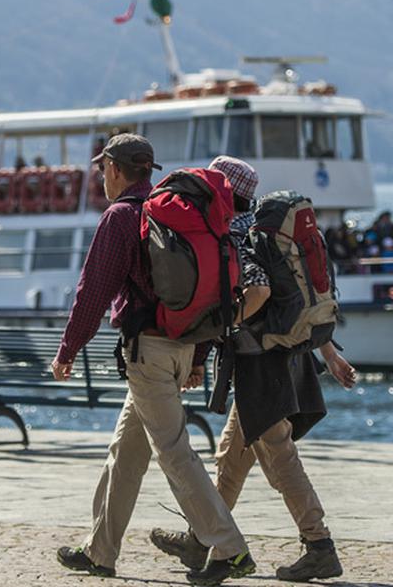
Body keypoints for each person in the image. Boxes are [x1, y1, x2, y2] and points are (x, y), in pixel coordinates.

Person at [52, 135, 254, 585]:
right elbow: (209, 288)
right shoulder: (177, 212)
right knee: (125, 453)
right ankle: (99, 552)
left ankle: (231, 549)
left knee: (174, 453)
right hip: (181, 346)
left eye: (104, 169)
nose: (102, 177)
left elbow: (93, 292)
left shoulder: (122, 216)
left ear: (117, 170)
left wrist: (68, 349)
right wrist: (198, 355)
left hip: (150, 352)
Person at [151, 156, 357, 583]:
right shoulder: (266, 231)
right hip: (287, 354)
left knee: (280, 457)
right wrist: (331, 356)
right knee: (230, 457)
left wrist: (225, 325)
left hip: (262, 363)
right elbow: (295, 299)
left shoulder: (237, 234)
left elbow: (261, 291)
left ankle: (319, 546)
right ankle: (201, 540)